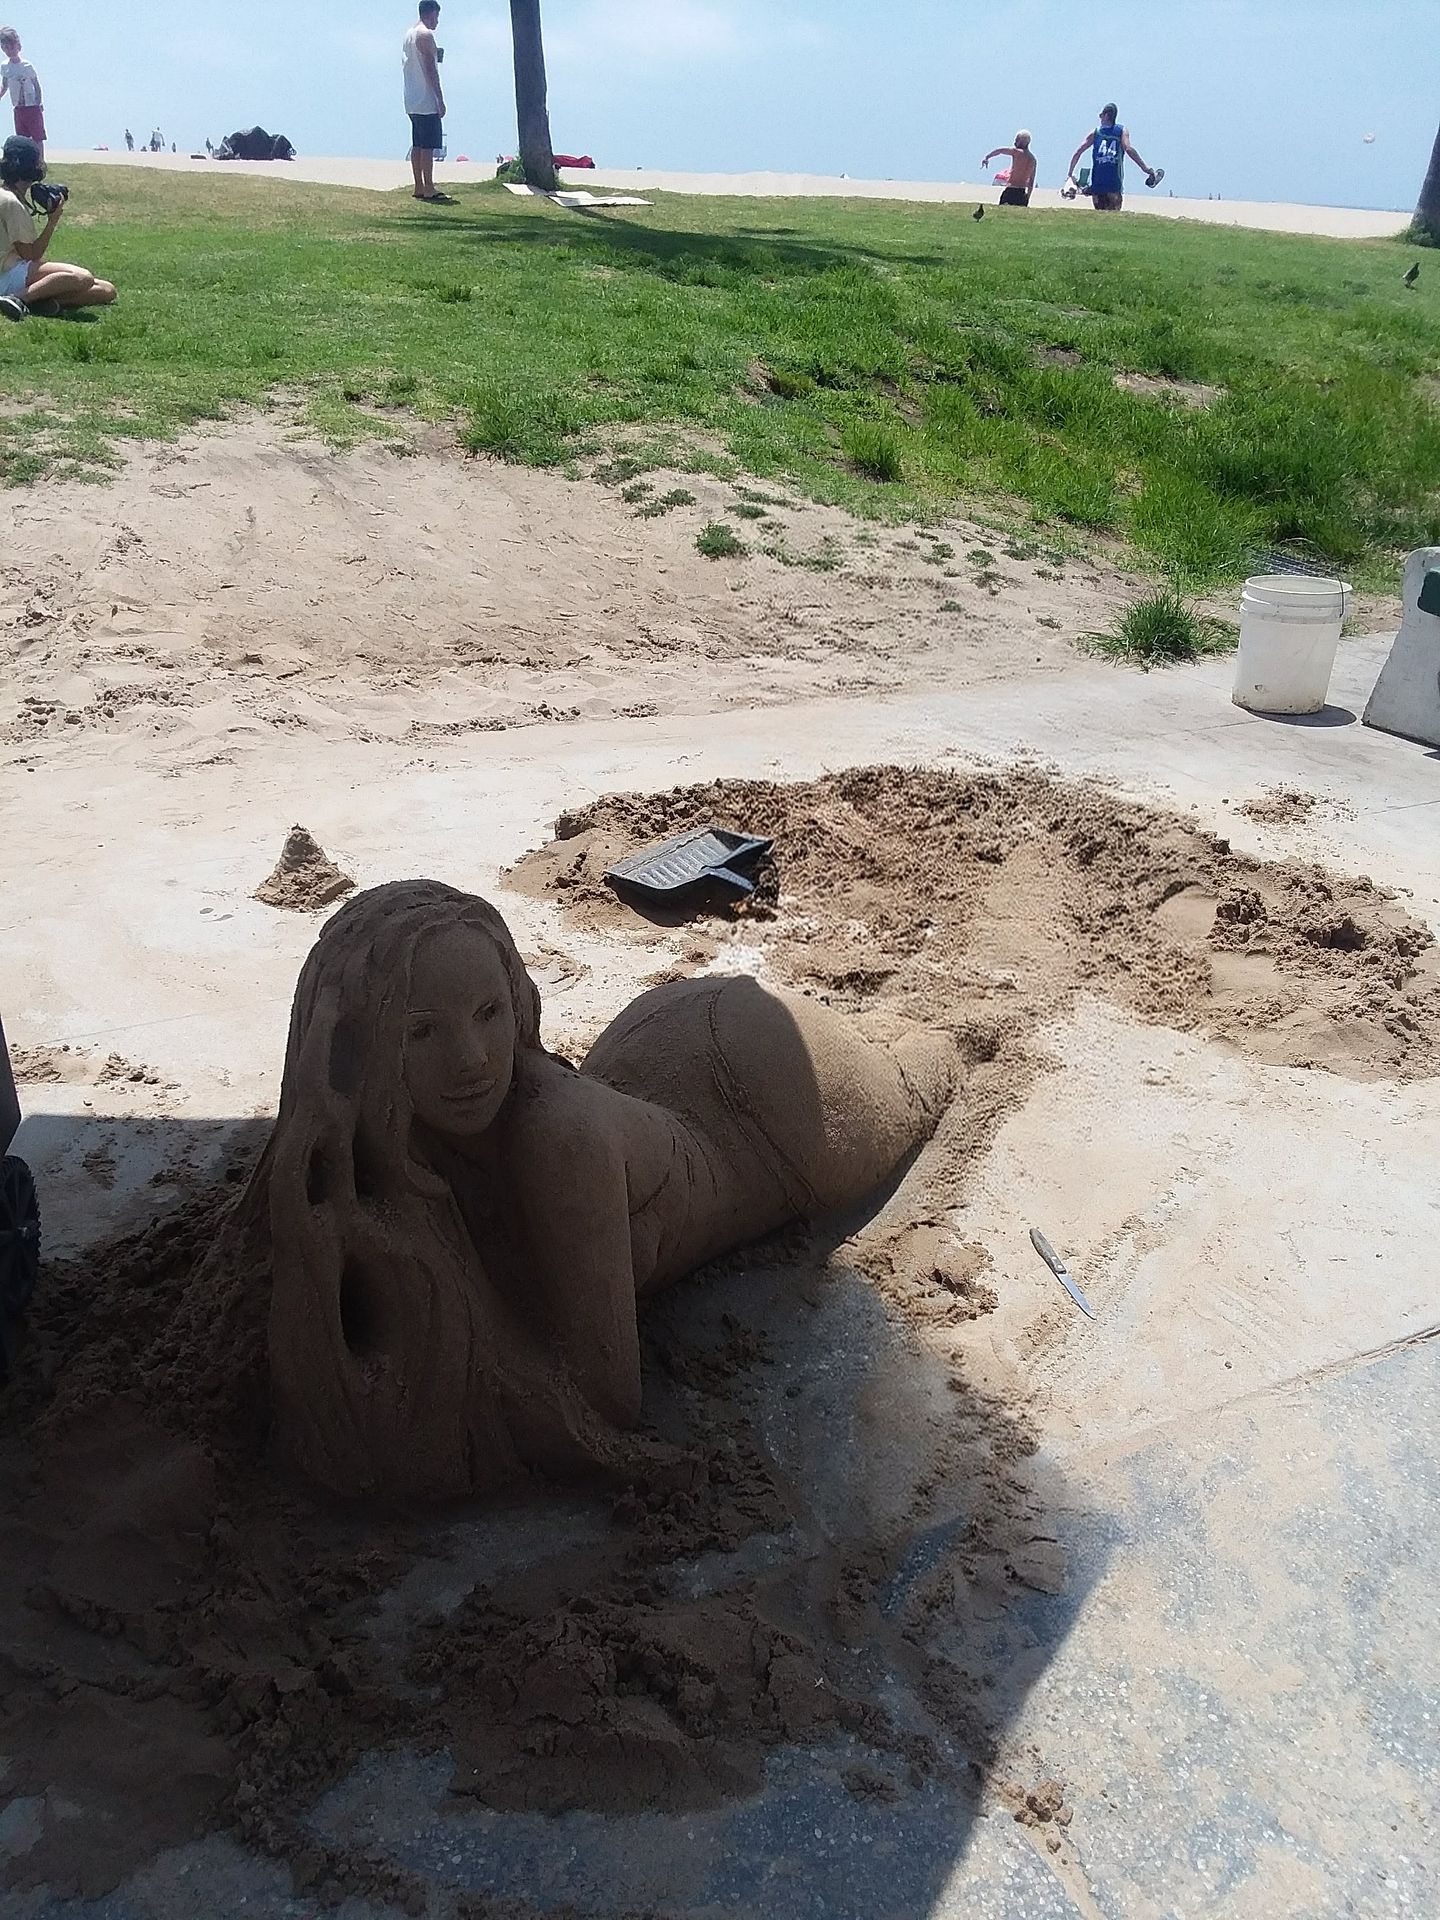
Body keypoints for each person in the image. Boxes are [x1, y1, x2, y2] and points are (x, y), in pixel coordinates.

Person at [247, 882, 959, 1500]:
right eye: (423, 1032)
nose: (470, 1061)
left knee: (929, 1066)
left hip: (775, 1117)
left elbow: (604, 1398)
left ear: (515, 1002)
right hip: (655, 1043)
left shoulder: (560, 1142)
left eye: (491, 1014)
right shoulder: (392, 1128)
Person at [0, 134, 116, 320]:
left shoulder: (7, 196)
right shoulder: (11, 202)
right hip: (9, 273)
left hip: (11, 272)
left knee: (107, 290)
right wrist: (52, 222)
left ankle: (39, 301)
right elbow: (30, 254)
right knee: (83, 277)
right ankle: (17, 298)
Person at [1066, 104, 1163, 211]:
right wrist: (1146, 169)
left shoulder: (1097, 133)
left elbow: (1078, 152)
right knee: (1113, 218)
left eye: (1101, 115)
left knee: (1101, 219)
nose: (1100, 117)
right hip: (1113, 186)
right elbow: (1128, 149)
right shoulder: (1121, 131)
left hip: (1099, 187)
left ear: (1106, 115)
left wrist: (1070, 173)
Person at [402, 1, 454, 204]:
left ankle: (419, 185)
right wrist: (440, 99)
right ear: (431, 14)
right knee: (428, 146)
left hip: (412, 98)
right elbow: (431, 70)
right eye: (436, 17)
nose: (437, 22)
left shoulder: (410, 34)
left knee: (418, 143)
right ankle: (429, 186)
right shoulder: (425, 35)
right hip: (425, 98)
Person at [0, 27, 44, 160]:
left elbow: (36, 85)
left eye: (12, 47)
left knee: (37, 136)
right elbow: (5, 85)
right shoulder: (5, 67)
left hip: (32, 106)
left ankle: (40, 161)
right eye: (6, 48)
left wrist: (39, 102)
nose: (9, 51)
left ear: (18, 47)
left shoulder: (27, 66)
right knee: (22, 137)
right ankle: (26, 162)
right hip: (18, 107)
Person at [982, 130, 1037, 207]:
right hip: (1022, 192)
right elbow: (1031, 181)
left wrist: (987, 157)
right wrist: (1027, 196)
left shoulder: (1017, 152)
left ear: (1021, 142)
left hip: (1011, 190)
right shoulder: (1033, 159)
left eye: (1016, 140)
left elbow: (1000, 150)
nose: (1015, 142)